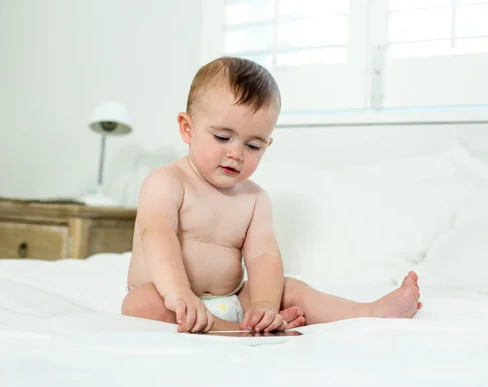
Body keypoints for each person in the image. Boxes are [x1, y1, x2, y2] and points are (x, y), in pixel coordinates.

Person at [121, 56, 422, 334]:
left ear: (267, 144)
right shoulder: (167, 182)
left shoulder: (254, 199)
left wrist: (263, 305)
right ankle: (228, 330)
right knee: (138, 304)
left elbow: (264, 256)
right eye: (223, 137)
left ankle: (370, 311)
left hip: (233, 300)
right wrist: (180, 293)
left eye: (253, 145)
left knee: (290, 288)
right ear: (187, 128)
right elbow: (157, 235)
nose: (236, 153)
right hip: (173, 299)